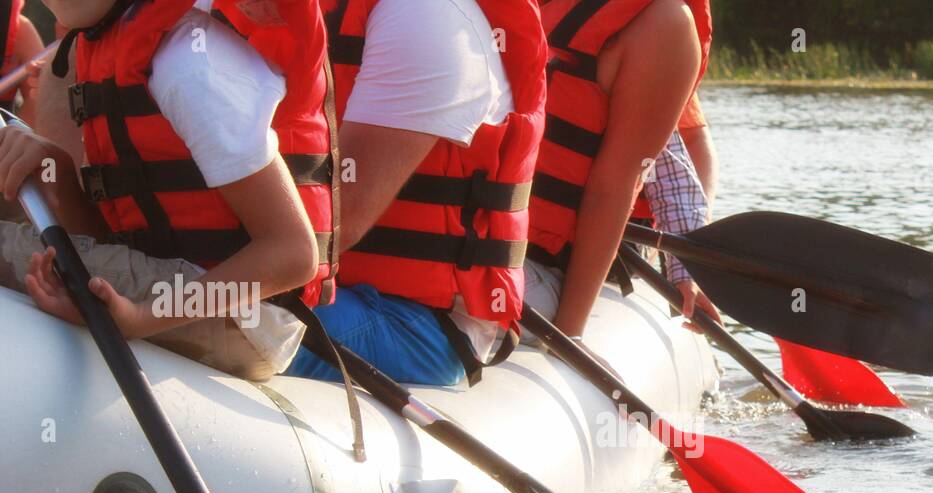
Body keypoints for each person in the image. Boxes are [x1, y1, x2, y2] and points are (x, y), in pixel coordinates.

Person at [0, 0, 336, 381]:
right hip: (183, 282)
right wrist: (55, 170)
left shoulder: (189, 63)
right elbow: (107, 240)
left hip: (245, 317)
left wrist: (141, 319)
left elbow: (293, 254)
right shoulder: (112, 46)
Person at [283, 0, 546, 388]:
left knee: (213, 319)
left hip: (419, 325)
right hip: (332, 283)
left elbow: (336, 226)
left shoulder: (425, 16)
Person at [525, 0, 712, 339]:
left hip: (560, 258)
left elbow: (658, 173)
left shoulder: (658, 31)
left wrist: (687, 268)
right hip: (488, 242)